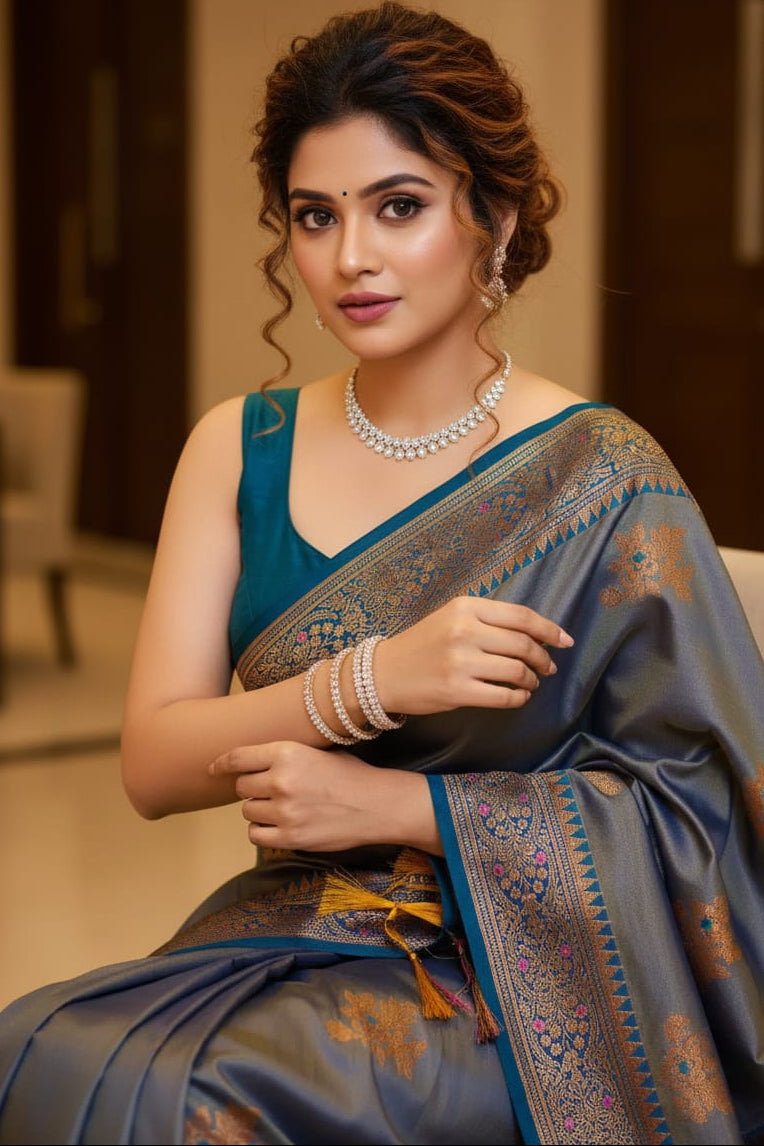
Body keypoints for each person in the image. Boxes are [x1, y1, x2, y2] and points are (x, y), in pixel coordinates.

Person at [1, 2, 762, 1143]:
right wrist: (373, 683)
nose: (349, 258)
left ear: (491, 219)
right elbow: (154, 764)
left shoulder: (601, 479)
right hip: (289, 926)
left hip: (524, 977)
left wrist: (404, 804)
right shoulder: (235, 446)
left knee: (201, 1107)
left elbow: (704, 816)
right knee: (34, 1051)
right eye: (315, 217)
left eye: (396, 207)